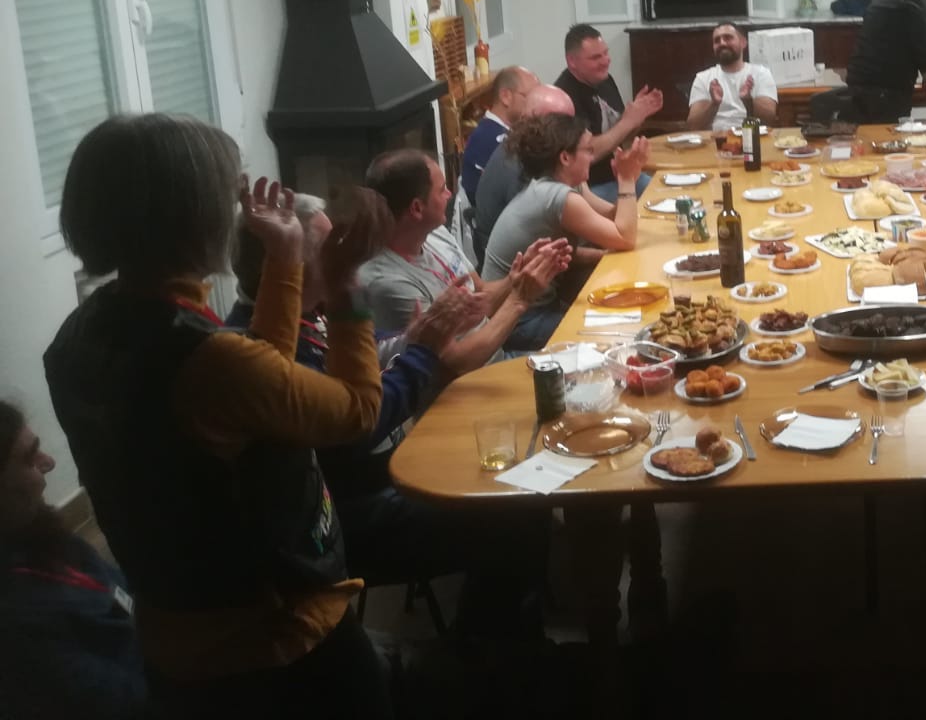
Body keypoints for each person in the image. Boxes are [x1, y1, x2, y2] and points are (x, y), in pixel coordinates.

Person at [44, 114, 390, 718]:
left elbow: (249, 401)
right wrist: (345, 289)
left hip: (175, 643)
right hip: (277, 644)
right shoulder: (209, 359)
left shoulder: (80, 337)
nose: (236, 212)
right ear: (191, 217)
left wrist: (284, 258)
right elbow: (357, 410)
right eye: (227, 196)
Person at [229, 201, 566, 640]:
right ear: (289, 264)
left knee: (522, 477)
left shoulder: (308, 313)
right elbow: (360, 424)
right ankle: (490, 651)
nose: (347, 259)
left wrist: (418, 334)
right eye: (333, 249)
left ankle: (509, 632)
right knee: (511, 512)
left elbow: (369, 353)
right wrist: (424, 350)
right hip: (345, 515)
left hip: (376, 472)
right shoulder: (264, 346)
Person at [0, 400, 146, 720]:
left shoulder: (44, 534)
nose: (49, 462)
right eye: (29, 458)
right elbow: (122, 703)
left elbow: (125, 592)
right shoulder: (17, 628)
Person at [483, 114, 651, 350]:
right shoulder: (556, 197)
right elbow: (625, 237)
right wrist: (626, 180)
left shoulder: (564, 186)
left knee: (626, 312)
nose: (593, 157)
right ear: (565, 157)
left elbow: (611, 218)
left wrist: (629, 177)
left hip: (536, 306)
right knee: (624, 332)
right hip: (519, 321)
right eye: (588, 150)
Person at [357, 149, 524, 343]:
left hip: (495, 349)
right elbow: (451, 357)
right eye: (442, 189)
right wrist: (519, 300)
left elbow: (481, 292)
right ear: (417, 208)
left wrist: (519, 277)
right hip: (479, 361)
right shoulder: (388, 283)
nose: (449, 194)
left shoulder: (435, 232)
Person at [811, 0, 926, 124]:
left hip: (859, 83)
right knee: (890, 134)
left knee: (867, 133)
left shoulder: (879, 0)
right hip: (889, 88)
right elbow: (922, 42)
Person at [553, 24, 662, 202]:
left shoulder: (605, 80)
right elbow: (588, 152)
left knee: (664, 190)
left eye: (606, 53)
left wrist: (636, 117)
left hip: (619, 176)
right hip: (590, 189)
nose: (606, 61)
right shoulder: (564, 97)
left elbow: (619, 136)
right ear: (572, 61)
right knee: (656, 196)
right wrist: (627, 122)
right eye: (596, 57)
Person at [470, 83, 575, 267]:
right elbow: (555, 249)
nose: (573, 133)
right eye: (563, 125)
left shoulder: (523, 147)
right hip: (518, 269)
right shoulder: (521, 166)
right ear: (536, 124)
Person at [458, 65, 538, 206]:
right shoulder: (492, 141)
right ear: (505, 97)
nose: (536, 106)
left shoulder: (492, 129)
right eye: (531, 97)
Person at [685, 22, 778, 131]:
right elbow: (693, 126)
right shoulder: (703, 78)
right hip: (716, 138)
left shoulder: (761, 73)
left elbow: (769, 119)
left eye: (728, 38)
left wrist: (748, 101)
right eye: (717, 40)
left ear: (743, 43)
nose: (722, 43)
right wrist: (714, 104)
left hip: (752, 135)